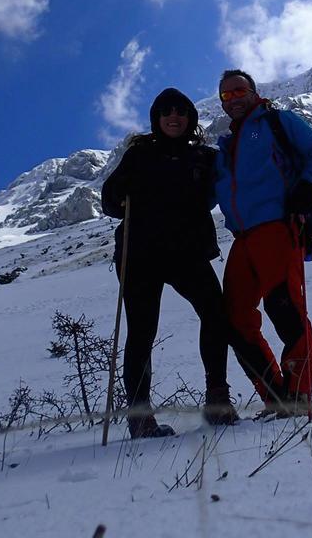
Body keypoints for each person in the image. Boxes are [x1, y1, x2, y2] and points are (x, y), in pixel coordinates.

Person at [101, 88, 240, 439]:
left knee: (215, 314)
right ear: (156, 119)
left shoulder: (205, 157)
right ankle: (139, 415)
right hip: (140, 254)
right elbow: (110, 202)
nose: (174, 116)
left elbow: (224, 189)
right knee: (142, 332)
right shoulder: (139, 154)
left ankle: (217, 398)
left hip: (186, 251)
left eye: (180, 111)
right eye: (166, 112)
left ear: (190, 118)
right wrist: (120, 190)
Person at [214, 69, 312, 417]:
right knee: (234, 319)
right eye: (226, 95)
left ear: (253, 91)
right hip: (243, 237)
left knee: (284, 307)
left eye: (239, 91)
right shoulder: (225, 147)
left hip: (278, 228)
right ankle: (275, 397)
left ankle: (298, 396)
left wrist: (307, 189)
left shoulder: (277, 122)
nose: (234, 99)